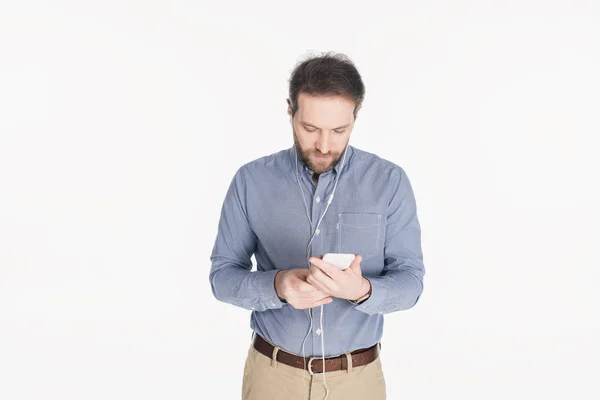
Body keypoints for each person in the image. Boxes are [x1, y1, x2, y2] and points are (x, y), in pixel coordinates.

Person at [209, 51, 425, 400]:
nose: (324, 145)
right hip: (272, 378)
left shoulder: (389, 182)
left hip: (358, 381)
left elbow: (412, 282)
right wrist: (278, 285)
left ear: (356, 116)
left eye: (339, 130)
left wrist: (361, 290)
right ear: (290, 110)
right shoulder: (251, 181)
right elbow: (221, 277)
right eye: (310, 129)